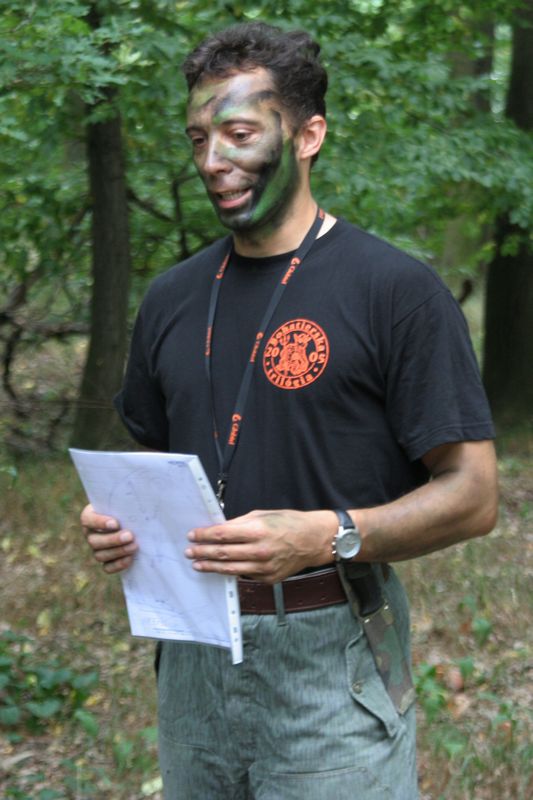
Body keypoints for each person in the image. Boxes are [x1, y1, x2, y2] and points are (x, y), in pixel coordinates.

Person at [81, 21, 498, 799]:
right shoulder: (171, 298)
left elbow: (473, 496)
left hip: (331, 654)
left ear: (308, 135)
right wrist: (120, 522)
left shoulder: (394, 291)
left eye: (239, 134)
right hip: (194, 657)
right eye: (198, 137)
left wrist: (326, 534)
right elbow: (158, 468)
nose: (212, 160)